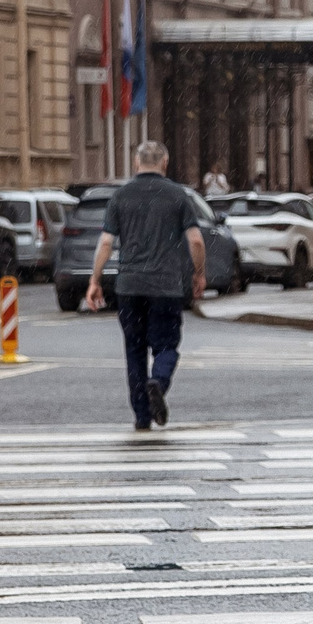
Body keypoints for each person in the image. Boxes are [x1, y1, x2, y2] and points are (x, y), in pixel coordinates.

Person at [85, 140, 206, 431]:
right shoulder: (178, 196)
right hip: (165, 286)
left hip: (128, 287)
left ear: (136, 163)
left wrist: (95, 280)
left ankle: (141, 415)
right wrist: (199, 273)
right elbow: (196, 240)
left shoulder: (120, 197)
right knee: (166, 345)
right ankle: (159, 381)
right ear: (165, 163)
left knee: (135, 351)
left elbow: (105, 242)